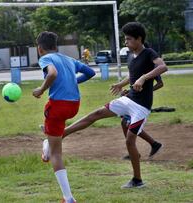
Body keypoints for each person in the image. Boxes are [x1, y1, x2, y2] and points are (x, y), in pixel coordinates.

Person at [42, 22, 168, 189]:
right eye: (125, 39)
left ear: (139, 39)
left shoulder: (148, 53)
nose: (126, 42)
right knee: (96, 114)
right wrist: (121, 84)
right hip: (129, 99)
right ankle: (62, 134)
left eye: (129, 39)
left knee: (130, 140)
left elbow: (163, 67)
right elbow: (133, 76)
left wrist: (144, 78)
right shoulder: (132, 57)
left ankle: (137, 180)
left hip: (141, 106)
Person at [33, 31, 95, 203]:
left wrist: (41, 89)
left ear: (40, 49)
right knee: (54, 135)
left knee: (56, 153)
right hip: (74, 106)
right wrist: (75, 81)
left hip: (58, 106)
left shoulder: (45, 59)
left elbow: (52, 74)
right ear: (56, 46)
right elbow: (90, 72)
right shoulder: (69, 59)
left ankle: (68, 198)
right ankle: (47, 144)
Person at [120, 75, 163, 160]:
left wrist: (147, 91)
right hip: (132, 99)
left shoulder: (152, 67)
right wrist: (128, 92)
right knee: (125, 123)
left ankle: (135, 151)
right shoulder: (137, 65)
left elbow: (160, 83)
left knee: (128, 124)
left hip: (142, 102)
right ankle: (152, 145)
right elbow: (131, 79)